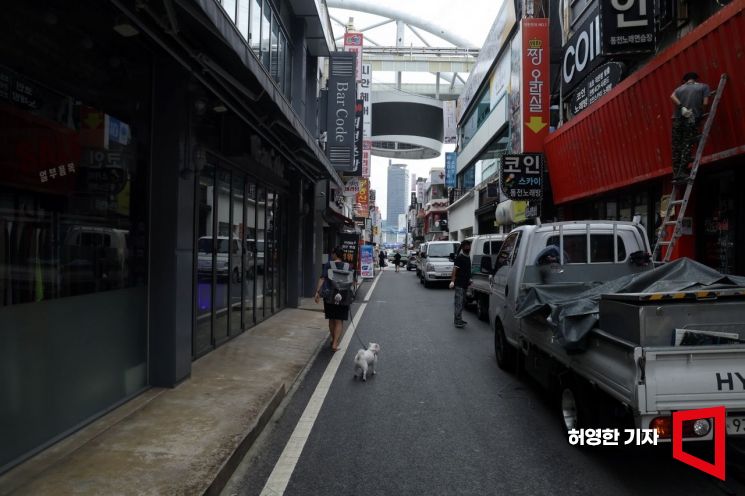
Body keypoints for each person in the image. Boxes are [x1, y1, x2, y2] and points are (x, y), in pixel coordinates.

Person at [670, 72, 710, 182]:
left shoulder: (679, 89)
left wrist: (682, 107)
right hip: (692, 118)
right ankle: (682, 172)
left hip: (677, 119)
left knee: (677, 146)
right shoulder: (703, 86)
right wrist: (701, 112)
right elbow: (706, 103)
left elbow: (672, 96)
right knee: (687, 144)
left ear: (685, 80)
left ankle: (676, 172)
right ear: (696, 79)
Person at [314, 247, 349, 351]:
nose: (331, 255)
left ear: (335, 254)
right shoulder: (347, 266)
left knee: (331, 319)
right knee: (339, 321)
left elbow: (322, 278)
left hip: (329, 296)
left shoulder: (329, 265)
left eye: (332, 253)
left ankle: (333, 339)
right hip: (342, 297)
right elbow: (352, 282)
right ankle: (335, 343)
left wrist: (317, 292)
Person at [449, 239, 471, 328]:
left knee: (462, 303)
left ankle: (459, 319)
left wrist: (470, 279)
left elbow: (467, 271)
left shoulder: (467, 257)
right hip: (459, 284)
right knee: (459, 303)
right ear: (463, 247)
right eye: (466, 246)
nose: (468, 247)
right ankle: (457, 321)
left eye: (469, 246)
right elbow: (455, 270)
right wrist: (452, 281)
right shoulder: (460, 257)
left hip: (465, 284)